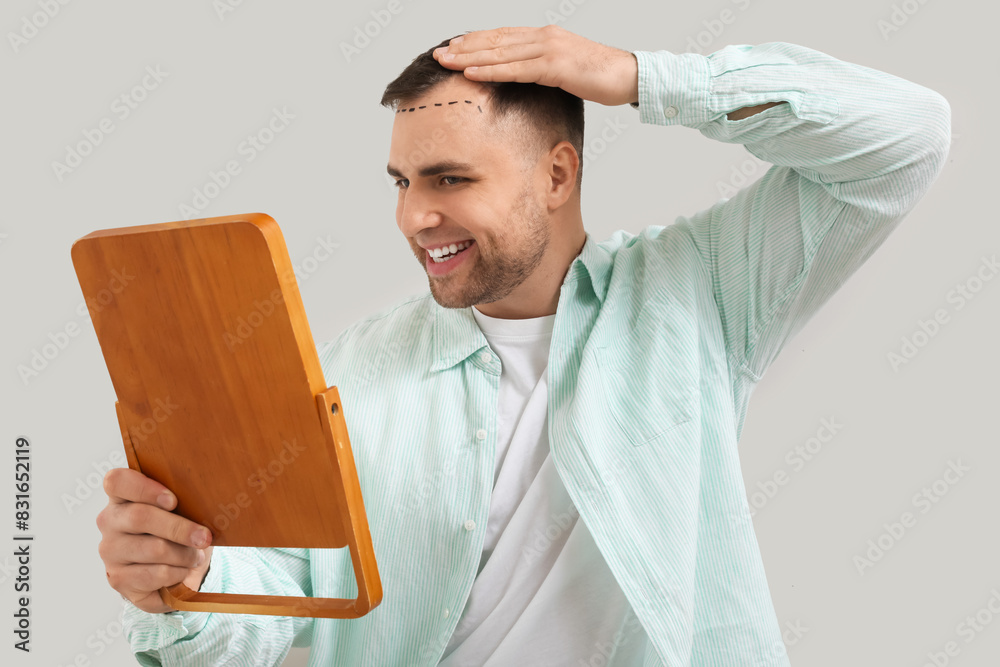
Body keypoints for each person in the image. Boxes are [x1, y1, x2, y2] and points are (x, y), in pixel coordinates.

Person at [98, 25, 950, 666]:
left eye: (450, 179)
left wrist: (639, 79)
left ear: (557, 175)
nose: (413, 216)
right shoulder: (352, 370)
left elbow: (906, 137)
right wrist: (180, 586)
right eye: (403, 182)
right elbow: (271, 608)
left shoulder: (701, 292)